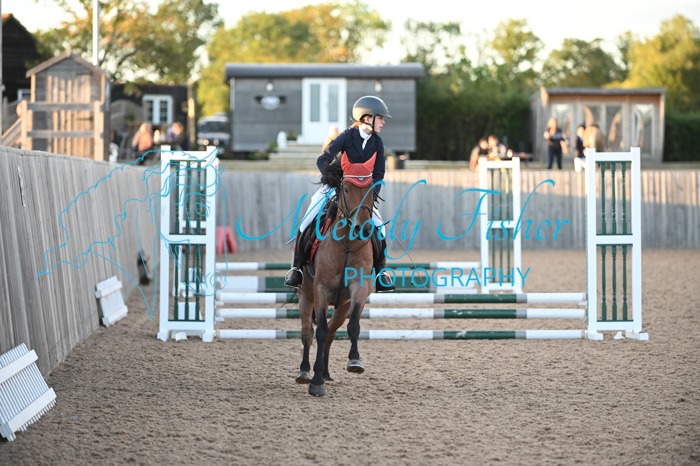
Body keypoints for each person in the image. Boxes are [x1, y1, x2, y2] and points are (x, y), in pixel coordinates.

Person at [284, 95, 395, 292]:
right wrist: (334, 181)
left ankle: (380, 273)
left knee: (380, 228)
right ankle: (297, 269)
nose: (383, 122)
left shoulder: (377, 142)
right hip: (338, 186)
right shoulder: (347, 136)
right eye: (380, 118)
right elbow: (323, 159)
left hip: (363, 193)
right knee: (306, 220)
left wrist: (371, 194)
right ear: (367, 118)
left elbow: (379, 173)